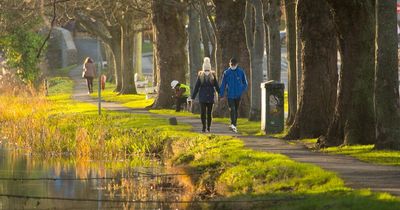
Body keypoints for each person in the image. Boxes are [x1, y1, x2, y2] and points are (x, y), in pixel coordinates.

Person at [219, 57, 248, 133]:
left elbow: (245, 83)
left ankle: (234, 123)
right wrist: (221, 94)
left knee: (236, 109)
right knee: (232, 109)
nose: (233, 66)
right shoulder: (226, 73)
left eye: (234, 64)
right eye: (231, 64)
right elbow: (223, 84)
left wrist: (241, 89)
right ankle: (233, 124)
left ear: (237, 64)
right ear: (230, 64)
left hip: (238, 95)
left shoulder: (241, 72)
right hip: (230, 95)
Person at [191, 57, 220, 133]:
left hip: (210, 97)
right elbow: (197, 87)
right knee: (203, 113)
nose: (207, 70)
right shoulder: (200, 76)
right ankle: (204, 126)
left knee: (209, 113)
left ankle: (208, 127)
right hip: (203, 97)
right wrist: (193, 97)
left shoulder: (213, 75)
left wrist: (220, 93)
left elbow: (216, 86)